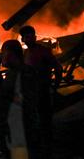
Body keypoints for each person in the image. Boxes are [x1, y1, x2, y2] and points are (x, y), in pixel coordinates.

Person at [19, 25, 61, 159]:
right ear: (23, 39)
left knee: (44, 121)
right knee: (34, 123)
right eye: (26, 37)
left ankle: (47, 150)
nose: (29, 39)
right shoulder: (26, 53)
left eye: (31, 36)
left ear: (35, 37)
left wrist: (55, 86)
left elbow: (58, 68)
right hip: (30, 94)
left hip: (42, 91)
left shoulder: (43, 51)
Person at [0, 40, 41, 159]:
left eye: (3, 52)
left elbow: (24, 101)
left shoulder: (22, 73)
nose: (1, 55)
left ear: (11, 54)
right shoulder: (15, 73)